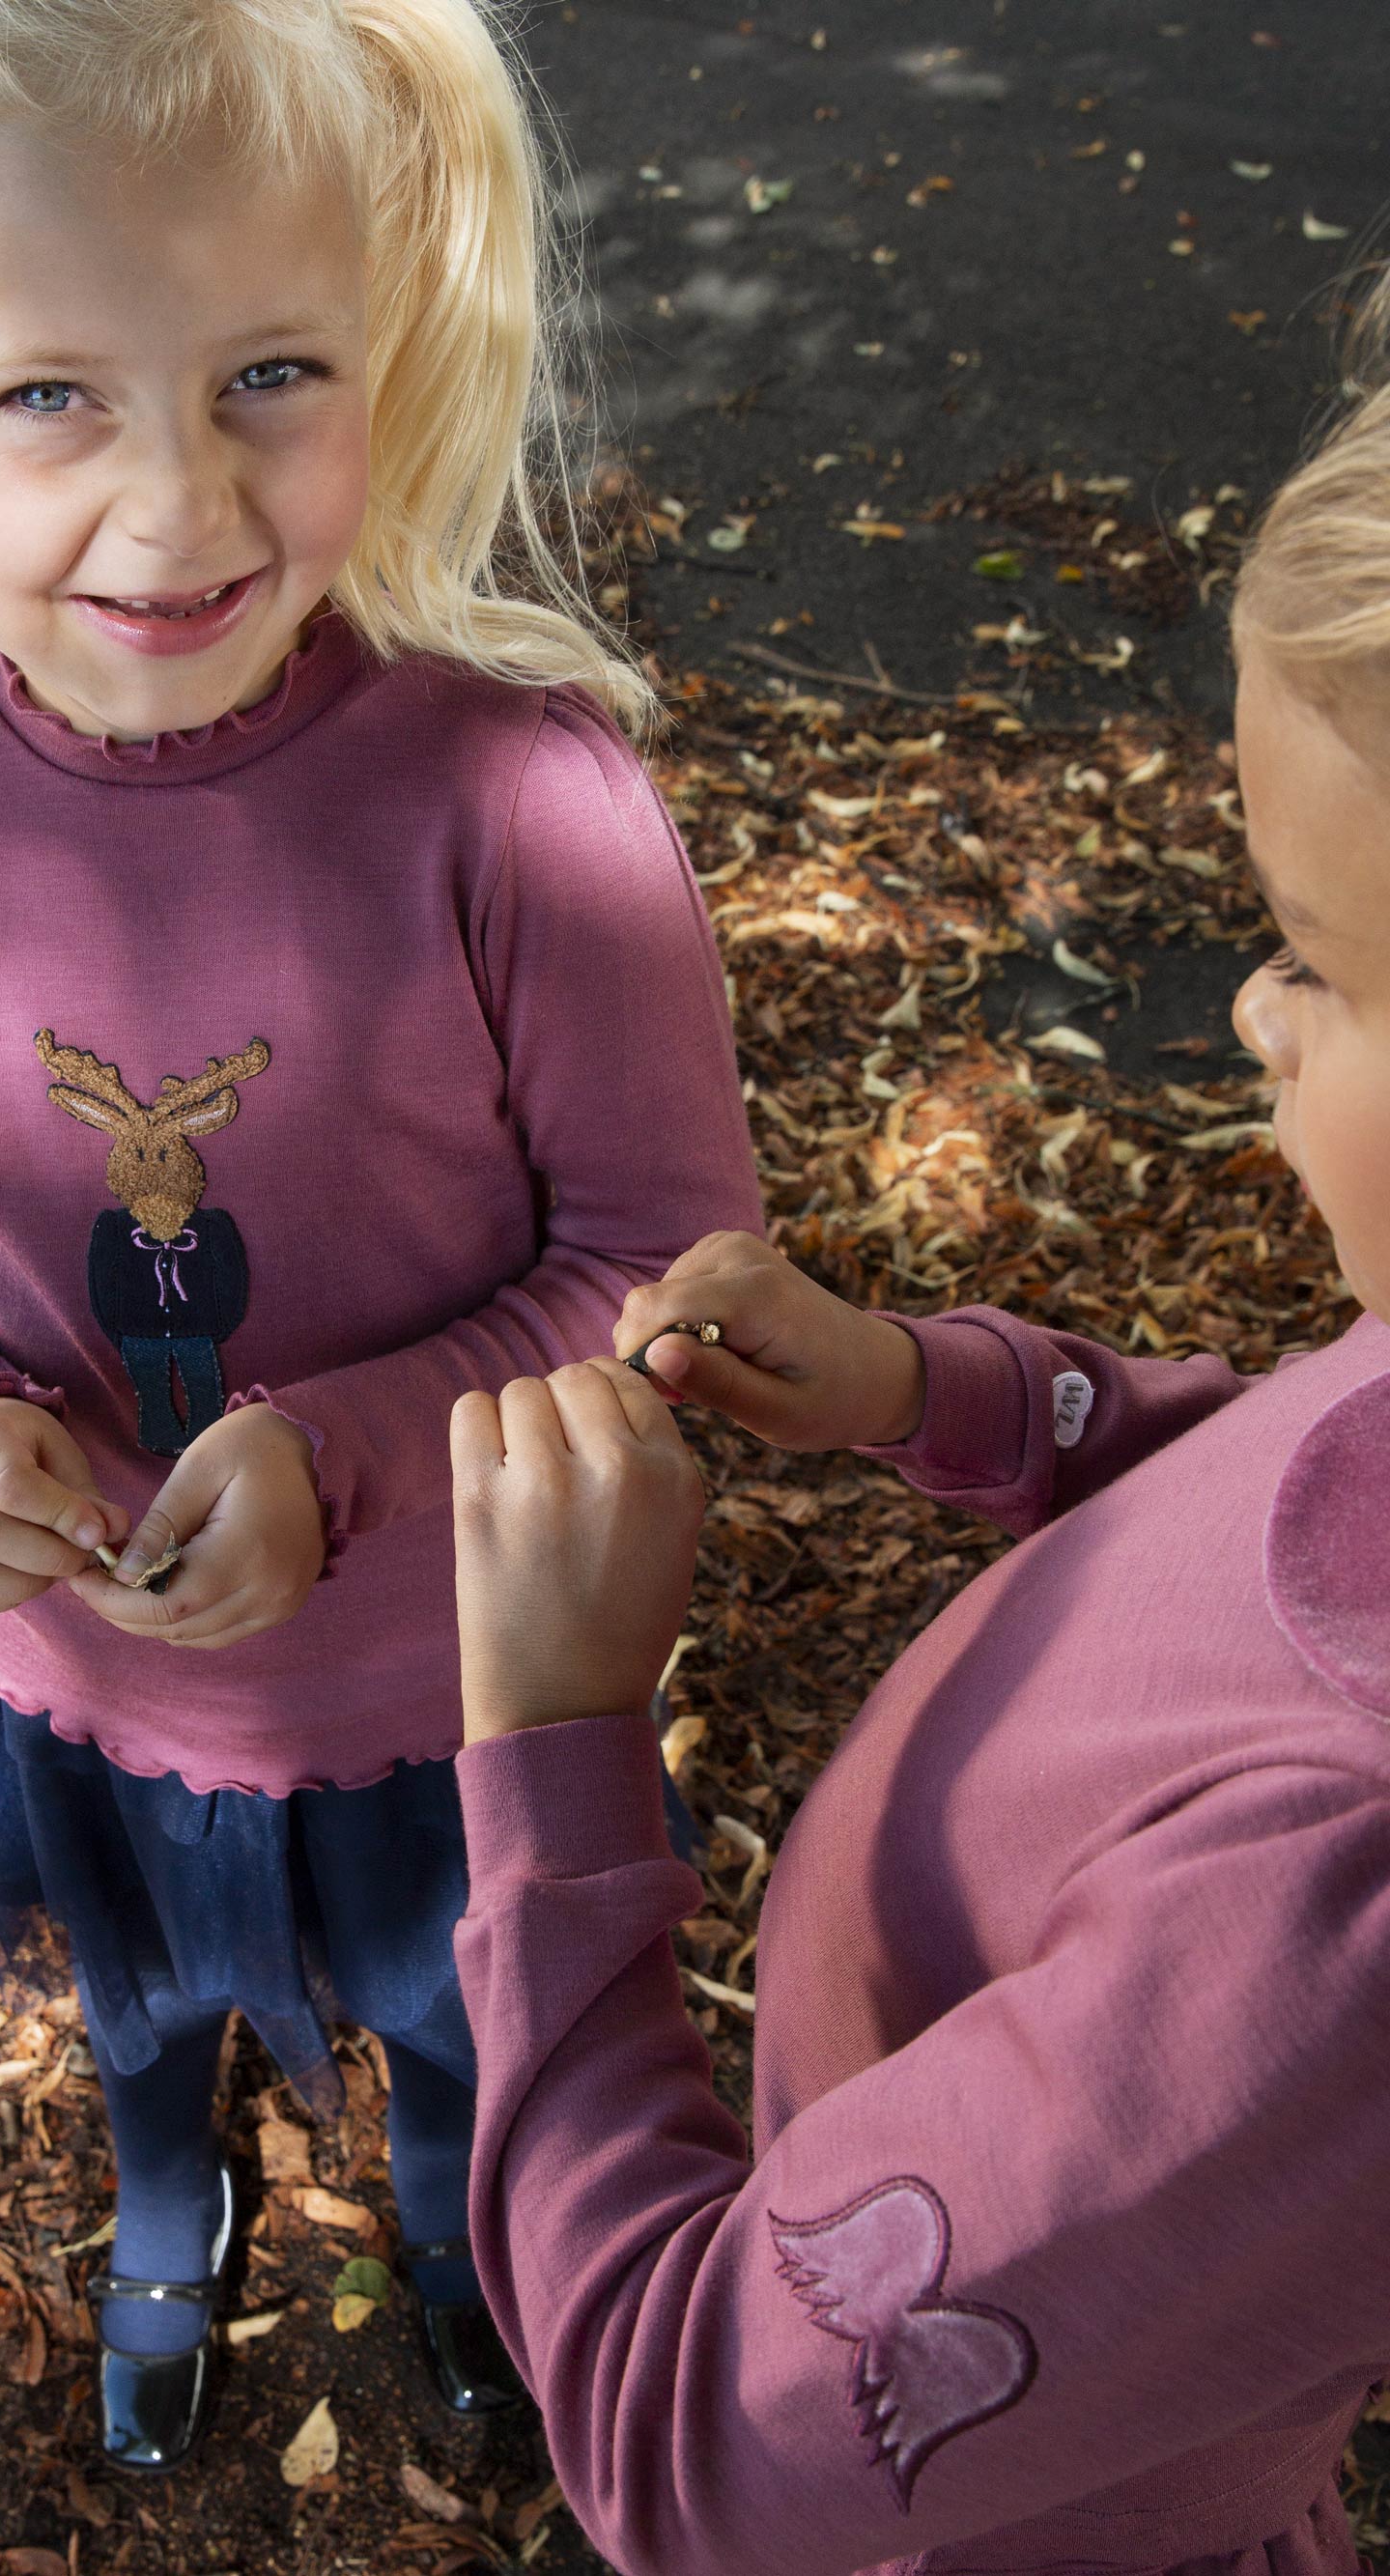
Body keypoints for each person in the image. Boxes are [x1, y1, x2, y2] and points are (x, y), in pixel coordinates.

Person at [0, 0, 758, 2475]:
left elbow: (664, 1261)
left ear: (387, 333)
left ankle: (461, 2230)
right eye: (47, 397)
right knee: (132, 1987)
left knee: (457, 2010)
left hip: (441, 1676)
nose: (181, 506)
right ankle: (164, 2190)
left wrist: (340, 1442)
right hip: (65, 1662)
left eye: (268, 372)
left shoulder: (515, 801)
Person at [448, 371, 1390, 2573]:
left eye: (1327, 971)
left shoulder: (1337, 1929)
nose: (1252, 1015)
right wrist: (919, 1388)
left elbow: (680, 2435)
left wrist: (557, 1753)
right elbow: (1260, 1490)